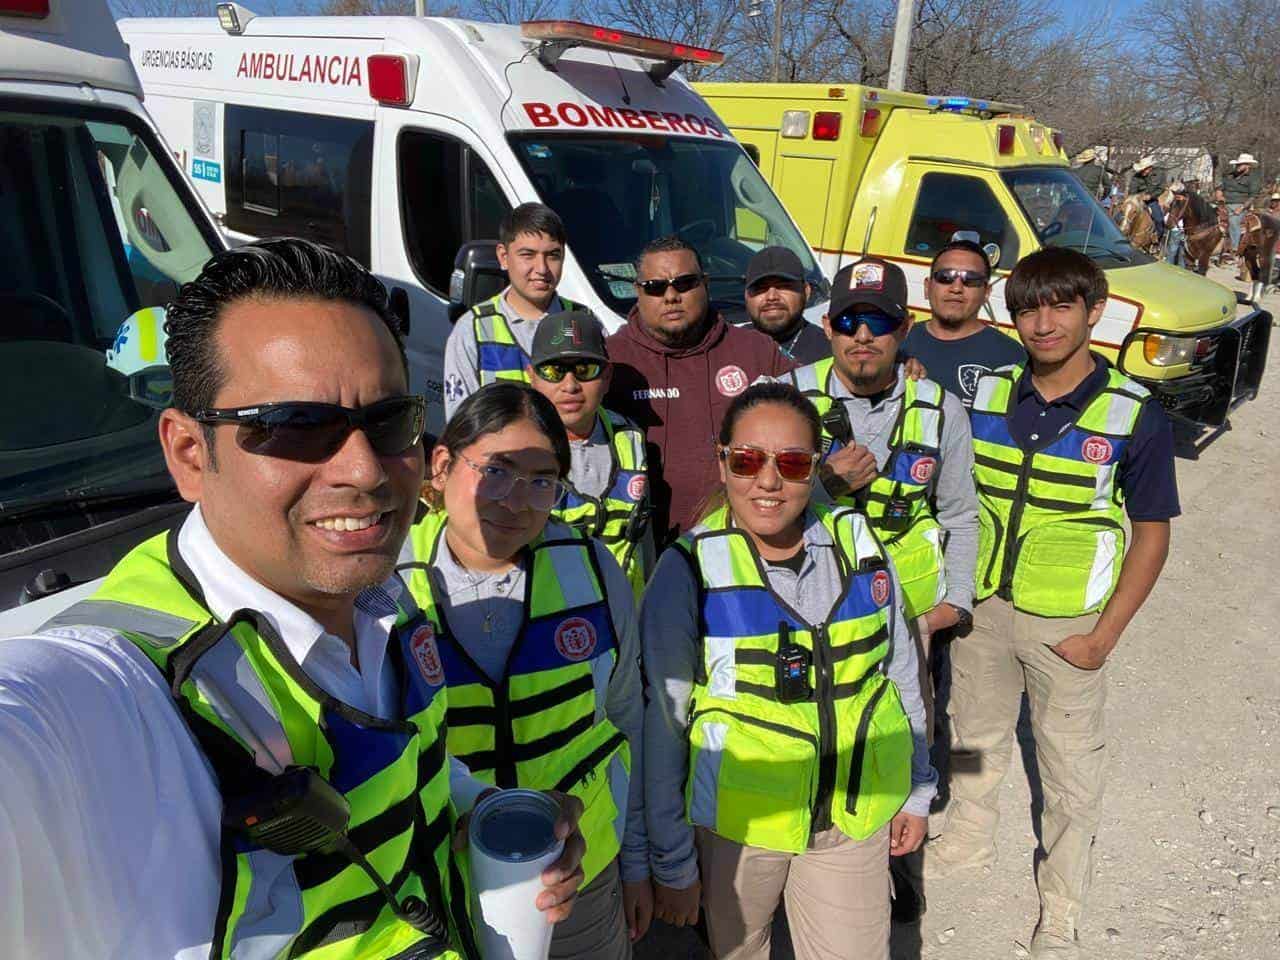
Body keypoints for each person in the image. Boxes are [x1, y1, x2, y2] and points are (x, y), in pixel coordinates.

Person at [0, 238, 587, 959]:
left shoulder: (385, 596)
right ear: (189, 453)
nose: (364, 470)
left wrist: (484, 811)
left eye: (387, 421)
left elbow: (418, 766)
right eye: (294, 426)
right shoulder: (129, 687)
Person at [925, 247, 1179, 958]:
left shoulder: (1134, 414)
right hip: (983, 612)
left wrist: (1104, 639)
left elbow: (1151, 537)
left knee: (1069, 772)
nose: (1043, 323)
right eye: (1029, 308)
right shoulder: (990, 393)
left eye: (1061, 305)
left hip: (1068, 624)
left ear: (1094, 312)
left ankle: (1061, 903)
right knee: (973, 740)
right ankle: (968, 842)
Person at [643, 381, 936, 960]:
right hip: (740, 830)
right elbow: (664, 726)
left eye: (794, 463)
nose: (769, 481)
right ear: (722, 460)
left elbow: (901, 671)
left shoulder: (860, 543)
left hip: (853, 819)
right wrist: (671, 857)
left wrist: (918, 788)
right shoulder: (688, 569)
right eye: (748, 461)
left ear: (817, 467)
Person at [400, 382, 652, 958]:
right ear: (441, 466)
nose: (517, 501)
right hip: (434, 884)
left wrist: (635, 861)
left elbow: (626, 721)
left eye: (542, 481)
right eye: (497, 470)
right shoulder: (386, 584)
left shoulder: (593, 569)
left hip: (580, 876)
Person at [784, 257, 980, 922]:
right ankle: (803, 856)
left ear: (905, 328)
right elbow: (752, 504)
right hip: (817, 613)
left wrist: (953, 605)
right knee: (816, 731)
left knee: (907, 737)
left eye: (879, 322)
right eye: (847, 321)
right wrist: (822, 484)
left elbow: (959, 513)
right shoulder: (786, 397)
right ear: (828, 326)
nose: (862, 335)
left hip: (917, 621)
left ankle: (898, 862)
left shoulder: (939, 406)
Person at [605, 236, 794, 547]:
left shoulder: (756, 351)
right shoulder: (612, 361)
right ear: (638, 292)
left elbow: (819, 391)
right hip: (641, 548)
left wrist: (901, 362)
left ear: (705, 284)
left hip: (739, 544)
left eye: (684, 283)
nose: (670, 296)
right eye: (655, 286)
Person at [523, 309, 655, 598]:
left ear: (606, 377)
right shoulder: (518, 450)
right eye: (553, 371)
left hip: (624, 619)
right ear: (531, 376)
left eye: (585, 370)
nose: (570, 385)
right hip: (551, 618)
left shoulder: (630, 438)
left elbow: (644, 542)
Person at [443, 202, 578, 418]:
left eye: (552, 255)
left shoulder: (583, 322)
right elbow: (461, 425)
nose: (542, 269)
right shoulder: (472, 330)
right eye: (528, 255)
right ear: (503, 257)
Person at [902, 238, 1028, 408]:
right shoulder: (898, 344)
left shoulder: (1011, 357)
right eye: (945, 277)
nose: (956, 288)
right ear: (927, 287)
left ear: (986, 293)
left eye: (971, 280)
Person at [736, 245, 831, 364]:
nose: (771, 297)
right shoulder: (730, 345)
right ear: (746, 295)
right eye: (760, 288)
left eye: (783, 286)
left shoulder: (830, 353)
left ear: (806, 291)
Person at [1215, 153, 1263, 254]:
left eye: (1240, 164)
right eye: (1237, 164)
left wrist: (1241, 208)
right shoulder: (1229, 175)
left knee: (1233, 221)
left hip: (1240, 205)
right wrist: (1219, 195)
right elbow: (1219, 188)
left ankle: (1234, 248)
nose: (1238, 166)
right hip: (1223, 204)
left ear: (1248, 165)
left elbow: (1253, 196)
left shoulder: (1253, 178)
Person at [1129, 156, 1166, 243]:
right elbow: (1132, 190)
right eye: (1141, 170)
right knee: (1121, 215)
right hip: (1136, 201)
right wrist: (1136, 197)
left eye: (1144, 169)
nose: (1142, 172)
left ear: (1149, 168)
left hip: (1151, 202)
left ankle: (1156, 239)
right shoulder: (1136, 176)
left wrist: (1150, 196)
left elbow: (1161, 188)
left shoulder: (1159, 173)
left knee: (1159, 220)